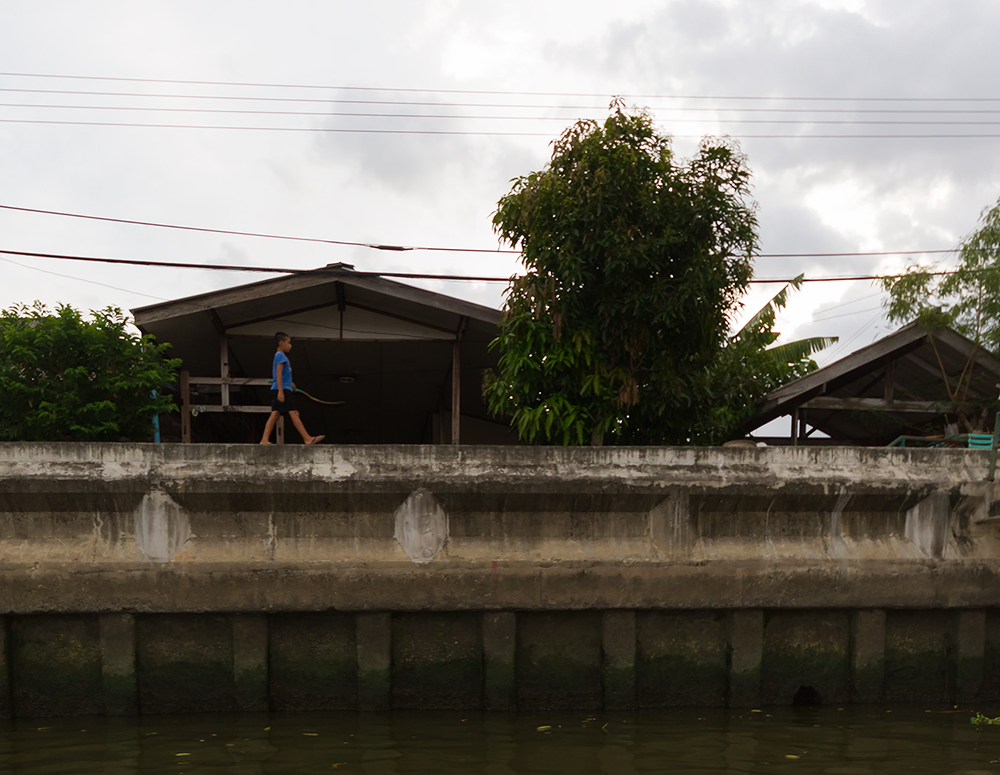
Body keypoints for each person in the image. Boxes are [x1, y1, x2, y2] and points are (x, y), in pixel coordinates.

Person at [259, 332, 325, 445]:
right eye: (289, 343)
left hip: (283, 388)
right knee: (294, 413)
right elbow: (278, 374)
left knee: (275, 414)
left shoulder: (280, 356)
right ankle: (307, 438)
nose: (290, 345)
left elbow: (283, 375)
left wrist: (291, 384)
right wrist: (281, 391)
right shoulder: (280, 355)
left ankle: (264, 439)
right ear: (281, 343)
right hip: (282, 389)